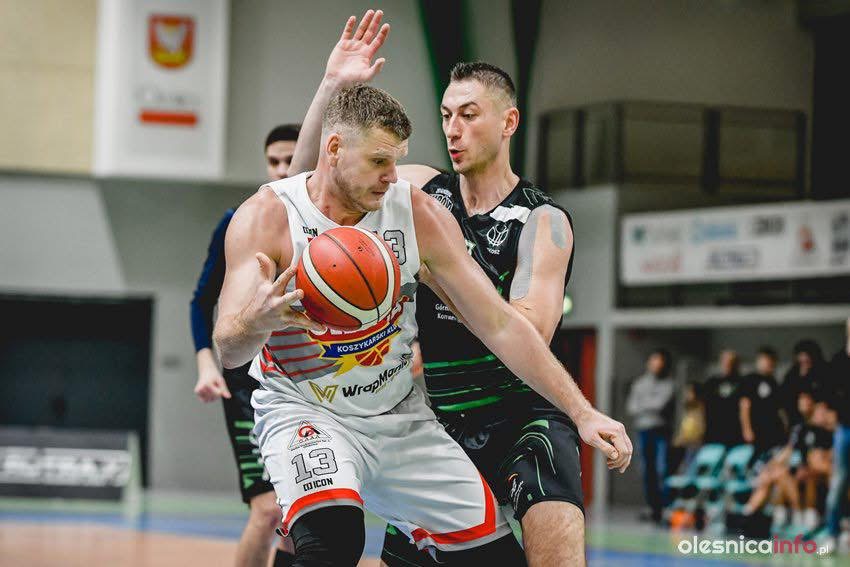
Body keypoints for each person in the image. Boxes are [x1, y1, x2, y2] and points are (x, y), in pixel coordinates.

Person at [214, 12, 631, 567]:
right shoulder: (270, 216)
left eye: (468, 115)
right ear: (337, 150)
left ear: (509, 122)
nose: (392, 174)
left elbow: (506, 324)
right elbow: (230, 347)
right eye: (379, 161)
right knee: (331, 541)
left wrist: (583, 411)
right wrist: (255, 320)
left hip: (415, 416)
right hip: (310, 411)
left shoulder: (425, 210)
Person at [190, 123, 300, 567]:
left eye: (289, 159)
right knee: (268, 509)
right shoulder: (240, 221)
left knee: (299, 516)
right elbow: (201, 301)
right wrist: (205, 363)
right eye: (273, 161)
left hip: (302, 380)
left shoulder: (331, 225)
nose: (281, 169)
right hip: (246, 383)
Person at [626, 349, 675, 524]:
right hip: (643, 431)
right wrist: (649, 405)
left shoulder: (669, 384)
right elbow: (632, 407)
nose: (656, 365)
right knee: (646, 470)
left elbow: (660, 405)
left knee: (662, 469)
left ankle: (666, 508)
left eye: (659, 362)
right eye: (654, 361)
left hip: (660, 431)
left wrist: (643, 404)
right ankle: (652, 508)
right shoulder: (639, 384)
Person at [816, 317, 850, 553]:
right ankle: (832, 534)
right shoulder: (838, 361)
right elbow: (826, 396)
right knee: (838, 482)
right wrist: (829, 416)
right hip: (845, 430)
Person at [739, 347, 786, 454]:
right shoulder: (750, 380)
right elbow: (744, 406)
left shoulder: (774, 382)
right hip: (757, 430)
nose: (768, 363)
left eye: (771, 360)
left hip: (773, 430)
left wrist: (784, 426)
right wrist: (747, 429)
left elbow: (779, 409)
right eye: (765, 360)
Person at [702, 350, 744, 447]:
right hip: (714, 433)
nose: (728, 365)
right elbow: (704, 406)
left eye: (731, 362)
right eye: (725, 361)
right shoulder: (712, 382)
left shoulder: (743, 383)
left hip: (736, 434)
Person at [781, 340, 827, 427]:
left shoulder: (823, 372)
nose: (804, 358)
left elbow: (828, 395)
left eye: (807, 356)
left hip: (819, 415)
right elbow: (784, 398)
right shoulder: (792, 375)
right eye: (801, 355)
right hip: (796, 418)